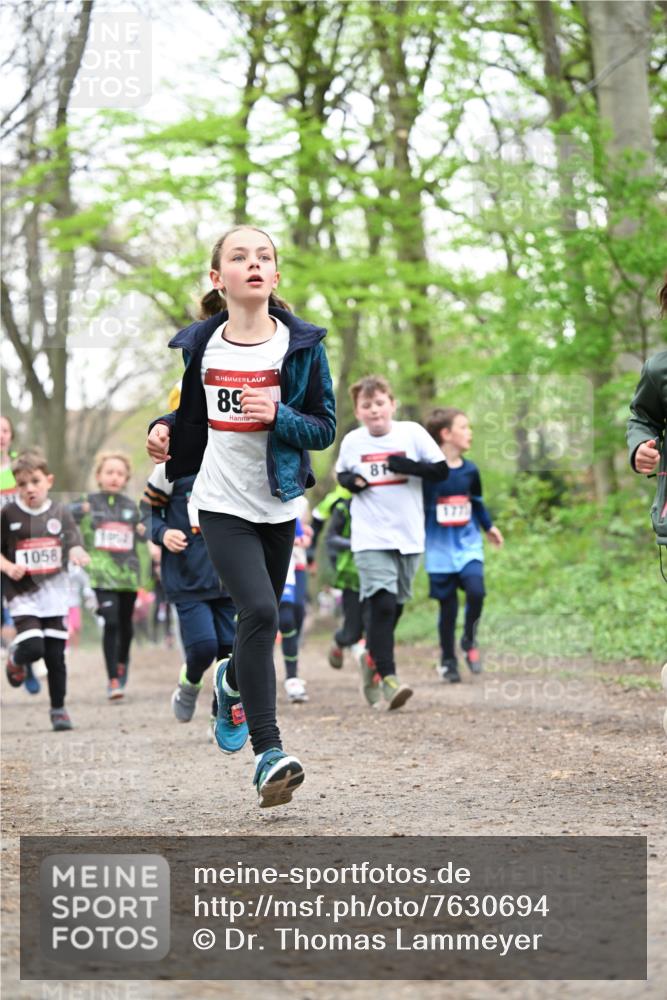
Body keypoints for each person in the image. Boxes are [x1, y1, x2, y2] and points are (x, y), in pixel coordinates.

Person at [145, 225, 336, 807]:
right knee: (259, 609)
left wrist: (280, 413)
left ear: (275, 277)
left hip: (277, 503)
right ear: (218, 278)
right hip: (219, 502)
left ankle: (230, 680)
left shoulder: (301, 347)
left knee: (257, 626)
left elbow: (323, 428)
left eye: (265, 257)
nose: (254, 264)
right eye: (239, 256)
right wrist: (164, 429)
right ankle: (269, 753)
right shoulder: (204, 344)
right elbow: (191, 415)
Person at [335, 375, 449, 709]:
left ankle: (371, 659)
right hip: (370, 536)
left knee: (394, 606)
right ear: (358, 411)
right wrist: (353, 482)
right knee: (382, 603)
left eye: (380, 403)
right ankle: (389, 677)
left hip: (409, 535)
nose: (374, 410)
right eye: (366, 405)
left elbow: (441, 471)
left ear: (392, 404)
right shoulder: (354, 442)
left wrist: (409, 466)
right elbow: (342, 475)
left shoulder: (412, 433)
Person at [141, 455, 236, 734]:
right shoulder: (171, 468)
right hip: (187, 578)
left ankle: (219, 717)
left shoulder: (235, 461)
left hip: (230, 576)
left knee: (228, 654)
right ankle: (190, 681)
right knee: (204, 648)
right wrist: (163, 532)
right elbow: (146, 511)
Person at [0, 450, 89, 730]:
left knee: (54, 655)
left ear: (48, 481)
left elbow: (74, 539)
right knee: (33, 646)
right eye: (23, 484)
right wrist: (6, 567)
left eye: (35, 481)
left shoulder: (59, 512)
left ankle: (58, 709)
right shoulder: (8, 513)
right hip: (22, 592)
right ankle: (17, 658)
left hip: (55, 591)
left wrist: (77, 552)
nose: (30, 489)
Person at [423, 408, 504, 682]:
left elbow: (477, 503)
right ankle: (448, 659)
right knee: (447, 608)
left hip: (468, 544)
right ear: (446, 434)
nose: (470, 432)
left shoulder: (470, 470)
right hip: (438, 549)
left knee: (476, 591)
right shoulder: (428, 472)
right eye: (464, 427)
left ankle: (469, 639)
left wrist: (489, 527)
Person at [71, 451, 145, 700]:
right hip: (100, 575)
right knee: (111, 622)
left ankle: (122, 661)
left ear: (126, 479)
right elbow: (61, 518)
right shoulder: (87, 503)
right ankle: (113, 679)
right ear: (99, 476)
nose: (115, 477)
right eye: (109, 472)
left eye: (120, 474)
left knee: (125, 625)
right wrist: (75, 544)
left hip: (127, 577)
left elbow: (144, 536)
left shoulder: (130, 507)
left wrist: (147, 534)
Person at [324, 492, 367, 670]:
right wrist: (355, 543)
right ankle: (340, 640)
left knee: (377, 622)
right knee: (353, 632)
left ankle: (378, 672)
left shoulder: (387, 504)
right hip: (352, 575)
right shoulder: (344, 506)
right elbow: (330, 537)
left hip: (379, 573)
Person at [278, 517, 310, 703]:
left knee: (288, 619)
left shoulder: (287, 498)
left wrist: (300, 538)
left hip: (284, 562)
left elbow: (299, 536)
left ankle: (292, 678)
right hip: (250, 560)